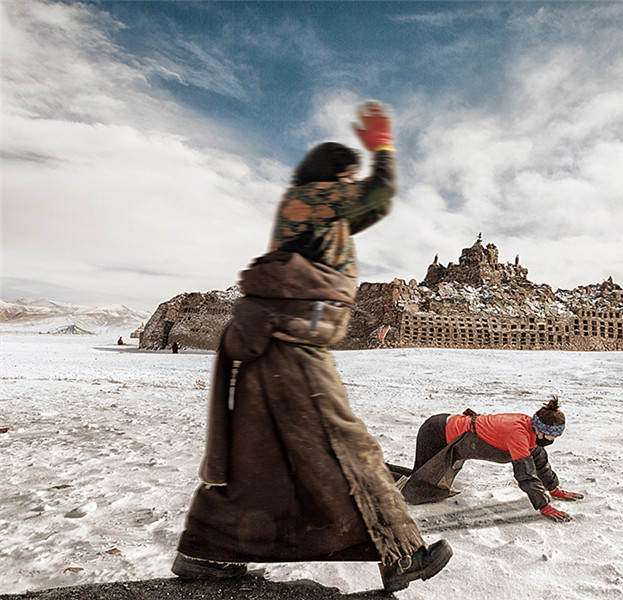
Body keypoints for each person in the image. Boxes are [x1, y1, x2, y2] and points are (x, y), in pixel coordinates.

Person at [172, 100, 451, 593]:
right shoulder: (314, 197)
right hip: (291, 341)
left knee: (260, 456)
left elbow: (372, 205)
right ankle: (400, 553)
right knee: (348, 442)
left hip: (270, 337)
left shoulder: (314, 216)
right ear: (332, 176)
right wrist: (382, 145)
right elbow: (380, 193)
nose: (350, 187)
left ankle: (208, 551)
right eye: (347, 177)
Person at [387, 396, 583, 523]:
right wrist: (543, 506)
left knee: (423, 480)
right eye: (551, 437)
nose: (552, 441)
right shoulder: (519, 434)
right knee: (418, 488)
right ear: (541, 430)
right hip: (437, 432)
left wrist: (554, 488)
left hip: (448, 427)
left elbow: (538, 459)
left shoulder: (531, 430)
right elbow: (525, 474)